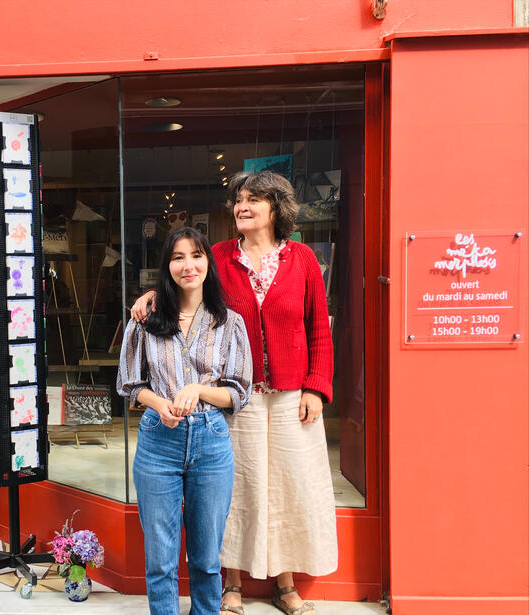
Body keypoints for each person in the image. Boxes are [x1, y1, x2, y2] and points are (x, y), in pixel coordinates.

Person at [131, 171, 337, 615]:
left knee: (288, 487)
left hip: (288, 394)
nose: (242, 207)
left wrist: (316, 387)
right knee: (234, 491)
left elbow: (319, 325)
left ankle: (285, 584)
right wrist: (151, 295)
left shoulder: (301, 259)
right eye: (238, 200)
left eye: (253, 200)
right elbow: (186, 278)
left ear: (276, 207)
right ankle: (232, 585)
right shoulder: (219, 256)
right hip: (230, 395)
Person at [118, 226, 252, 615]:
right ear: (167, 266)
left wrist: (199, 390)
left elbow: (238, 393)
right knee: (160, 559)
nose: (188, 265)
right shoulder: (147, 316)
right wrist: (158, 403)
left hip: (211, 442)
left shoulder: (230, 323)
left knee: (207, 559)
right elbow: (128, 383)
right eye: (178, 257)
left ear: (208, 262)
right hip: (158, 441)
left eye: (196, 255)